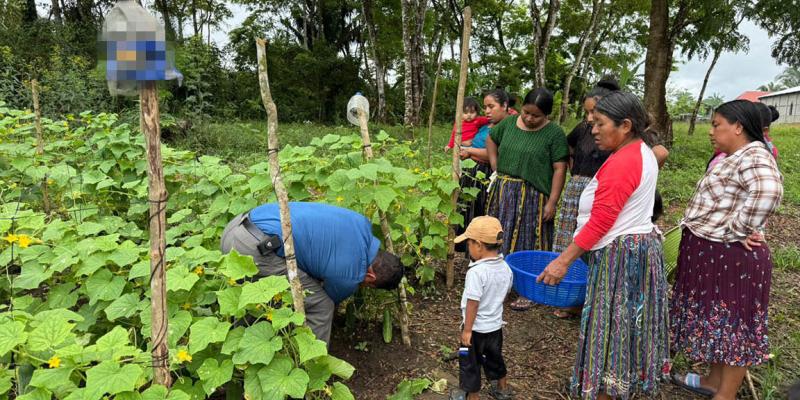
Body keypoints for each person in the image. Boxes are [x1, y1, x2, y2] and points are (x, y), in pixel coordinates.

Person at [538, 91, 670, 400]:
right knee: (624, 325)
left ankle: (606, 392)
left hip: (621, 257)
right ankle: (618, 383)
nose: (593, 130)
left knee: (612, 326)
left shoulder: (625, 161)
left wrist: (563, 261)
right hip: (635, 248)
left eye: (600, 123)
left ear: (625, 125)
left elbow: (601, 222)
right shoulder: (641, 151)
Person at [670, 100, 783, 400]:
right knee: (718, 321)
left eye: (716, 124)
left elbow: (768, 191)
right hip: (715, 254)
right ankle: (712, 381)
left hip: (732, 258)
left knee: (733, 325)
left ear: (738, 127)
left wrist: (738, 230)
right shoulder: (735, 155)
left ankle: (725, 394)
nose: (711, 131)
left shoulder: (754, 154)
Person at [220, 202, 404, 344]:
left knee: (259, 296)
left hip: (237, 225)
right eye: (367, 284)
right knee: (321, 306)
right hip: (251, 249)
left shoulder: (362, 223)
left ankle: (244, 341)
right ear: (371, 277)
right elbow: (324, 299)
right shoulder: (351, 274)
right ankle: (311, 368)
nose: (361, 284)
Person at [486, 87, 569, 311]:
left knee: (530, 239)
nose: (529, 118)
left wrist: (552, 202)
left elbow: (559, 169)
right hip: (504, 192)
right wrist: (494, 164)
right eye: (526, 112)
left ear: (547, 115)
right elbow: (491, 139)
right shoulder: (509, 124)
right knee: (500, 234)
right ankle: (499, 283)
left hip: (533, 196)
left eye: (536, 115)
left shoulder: (554, 134)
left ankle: (528, 289)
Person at [450, 216, 514, 400]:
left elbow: (473, 303)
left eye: (469, 244)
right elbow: (505, 295)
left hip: (476, 329)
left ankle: (473, 396)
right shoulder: (506, 268)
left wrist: (467, 330)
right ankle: (502, 388)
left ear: (478, 245)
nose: (468, 248)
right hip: (495, 326)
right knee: (494, 357)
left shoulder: (476, 272)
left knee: (470, 362)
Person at [454, 89, 512, 253]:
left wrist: (470, 151)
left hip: (484, 174)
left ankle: (477, 251)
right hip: (472, 171)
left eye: (491, 106)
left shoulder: (507, 127)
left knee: (478, 213)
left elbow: (495, 153)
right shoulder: (488, 125)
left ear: (504, 106)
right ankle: (465, 248)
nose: (486, 111)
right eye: (485, 107)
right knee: (466, 211)